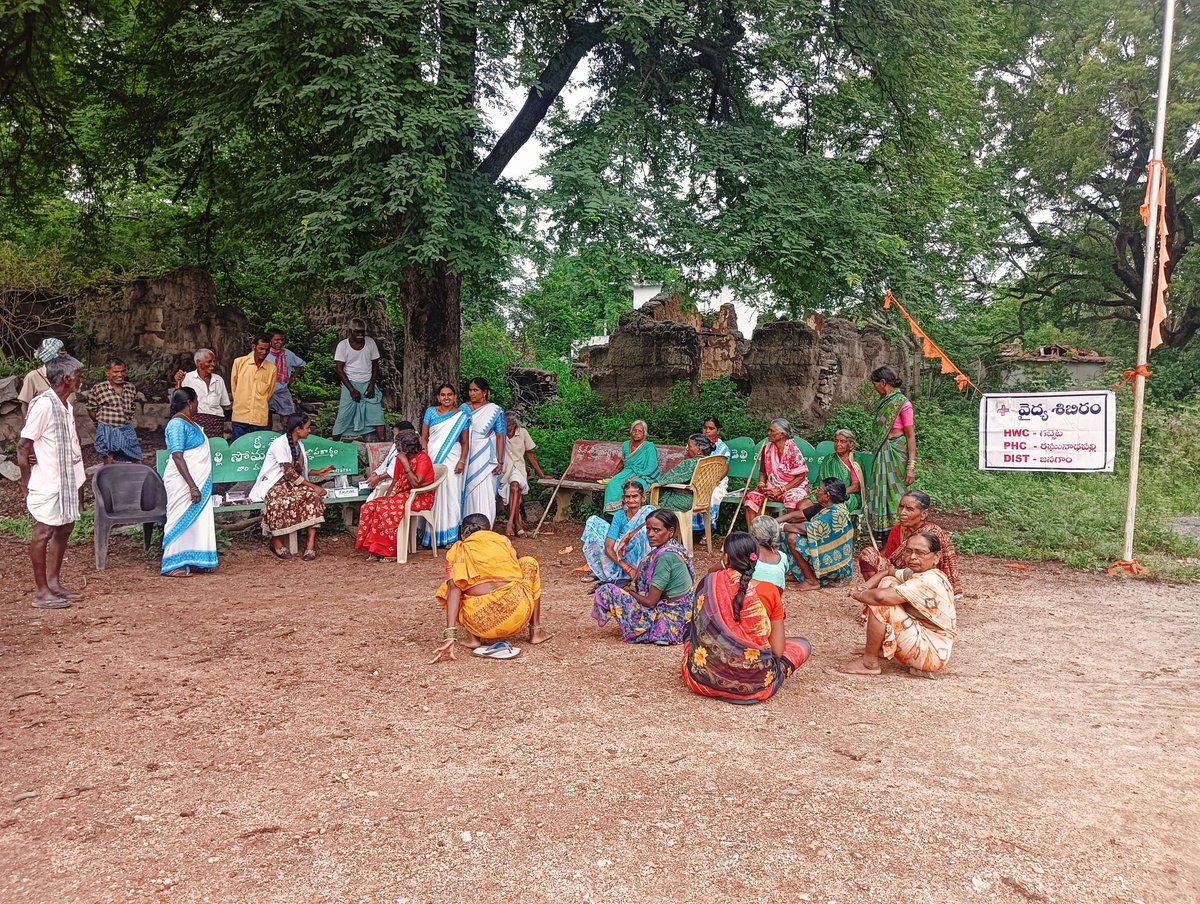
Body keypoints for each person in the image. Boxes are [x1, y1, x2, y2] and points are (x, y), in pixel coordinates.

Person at [681, 531, 811, 703]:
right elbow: (778, 651)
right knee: (802, 645)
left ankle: (709, 668)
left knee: (691, 628)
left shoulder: (710, 582)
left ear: (726, 558)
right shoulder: (770, 590)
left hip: (702, 680)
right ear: (755, 559)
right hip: (755, 686)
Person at [430, 514, 550, 663]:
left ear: (462, 533)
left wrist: (450, 636)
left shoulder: (458, 550)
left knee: (452, 586)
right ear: (490, 530)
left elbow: (454, 591)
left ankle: (473, 638)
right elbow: (517, 569)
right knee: (529, 562)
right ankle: (535, 631)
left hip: (479, 621)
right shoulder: (503, 541)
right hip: (517, 612)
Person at [17, 355, 85, 609]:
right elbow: (24, 446)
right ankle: (41, 591)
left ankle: (54, 583)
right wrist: (26, 482)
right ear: (67, 379)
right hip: (48, 480)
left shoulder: (65, 404)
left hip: (67, 480)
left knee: (64, 528)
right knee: (43, 531)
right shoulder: (44, 404)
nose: (81, 380)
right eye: (78, 375)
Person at [841, 531, 957, 677]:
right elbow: (887, 572)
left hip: (931, 653)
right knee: (889, 583)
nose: (913, 557)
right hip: (925, 639)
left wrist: (859, 594)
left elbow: (880, 598)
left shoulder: (928, 581)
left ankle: (869, 663)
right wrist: (865, 587)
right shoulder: (923, 572)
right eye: (909, 551)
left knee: (881, 603)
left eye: (920, 553)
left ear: (937, 557)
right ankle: (881, 648)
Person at [592, 509, 695, 645]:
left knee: (607, 591)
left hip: (673, 619)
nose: (650, 534)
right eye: (648, 529)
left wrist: (629, 592)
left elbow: (650, 602)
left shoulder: (665, 556)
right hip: (685, 613)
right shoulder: (673, 548)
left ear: (670, 532)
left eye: (656, 530)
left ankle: (654, 630)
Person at [249, 413, 334, 560]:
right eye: (307, 427)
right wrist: (314, 486)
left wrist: (317, 472)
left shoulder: (298, 445)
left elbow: (297, 470)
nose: (309, 430)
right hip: (275, 483)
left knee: (313, 497)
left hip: (292, 484)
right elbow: (288, 473)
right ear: (297, 429)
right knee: (277, 500)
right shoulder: (279, 444)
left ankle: (310, 544)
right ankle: (276, 542)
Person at [859, 490, 963, 598]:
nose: (902, 512)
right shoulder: (897, 529)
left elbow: (935, 565)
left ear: (924, 514)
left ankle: (889, 598)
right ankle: (876, 597)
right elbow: (889, 557)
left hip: (923, 577)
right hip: (898, 572)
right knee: (868, 555)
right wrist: (875, 560)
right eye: (901, 507)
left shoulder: (933, 533)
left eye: (909, 509)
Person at [161, 387, 218, 577]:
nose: (197, 406)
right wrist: (192, 486)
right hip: (183, 482)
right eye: (196, 402)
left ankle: (196, 559)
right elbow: (177, 456)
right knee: (179, 517)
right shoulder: (177, 424)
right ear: (190, 403)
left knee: (198, 520)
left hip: (196, 481)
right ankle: (172, 563)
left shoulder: (190, 422)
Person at [355, 428, 435, 560]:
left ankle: (390, 551)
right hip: (401, 494)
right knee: (369, 507)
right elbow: (396, 480)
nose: (397, 448)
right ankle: (375, 549)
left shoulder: (423, 458)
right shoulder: (401, 458)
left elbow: (416, 483)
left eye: (399, 445)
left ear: (407, 447)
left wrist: (405, 464)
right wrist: (387, 497)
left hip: (419, 496)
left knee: (384, 510)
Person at [866, 365, 917, 541]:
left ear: (883, 382)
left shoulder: (903, 404)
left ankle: (899, 537)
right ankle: (885, 539)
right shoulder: (884, 402)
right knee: (880, 494)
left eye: (875, 384)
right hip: (882, 453)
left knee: (895, 496)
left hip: (896, 453)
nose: (875, 388)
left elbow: (911, 437)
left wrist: (911, 466)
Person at [779, 478, 855, 591]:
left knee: (792, 538)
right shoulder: (825, 507)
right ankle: (799, 573)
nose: (816, 491)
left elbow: (808, 528)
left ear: (827, 495)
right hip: (828, 553)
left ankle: (811, 581)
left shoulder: (835, 513)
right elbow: (796, 516)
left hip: (836, 565)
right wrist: (771, 521)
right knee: (786, 534)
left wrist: (780, 526)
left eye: (819, 489)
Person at [420, 384, 470, 547]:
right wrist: (425, 459)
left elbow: (464, 442)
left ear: (455, 397)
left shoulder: (462, 416)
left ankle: (450, 537)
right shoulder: (431, 412)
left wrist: (462, 460)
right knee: (433, 494)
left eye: (450, 395)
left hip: (453, 458)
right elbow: (424, 438)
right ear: (438, 397)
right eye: (443, 395)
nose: (446, 398)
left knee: (452, 495)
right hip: (433, 457)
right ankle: (431, 536)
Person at [580, 479, 655, 584]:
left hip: (640, 555)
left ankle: (643, 572)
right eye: (628, 497)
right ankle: (604, 570)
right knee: (593, 521)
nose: (631, 500)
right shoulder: (619, 516)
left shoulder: (648, 511)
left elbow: (652, 526)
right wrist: (627, 568)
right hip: (620, 555)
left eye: (635, 496)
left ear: (643, 498)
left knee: (644, 531)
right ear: (623, 499)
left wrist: (628, 537)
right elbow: (609, 547)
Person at [743, 418, 809, 527]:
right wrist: (761, 485)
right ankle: (754, 537)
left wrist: (781, 490)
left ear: (782, 434)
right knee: (751, 498)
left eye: (772, 431)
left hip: (792, 487)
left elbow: (801, 477)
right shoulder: (766, 449)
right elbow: (763, 473)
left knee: (792, 499)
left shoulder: (793, 450)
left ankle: (787, 532)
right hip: (772, 487)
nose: (768, 433)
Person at [461, 377, 506, 524]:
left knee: (484, 489)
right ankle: (467, 526)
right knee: (467, 489)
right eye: (470, 390)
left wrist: (500, 461)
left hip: (486, 456)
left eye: (476, 390)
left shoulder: (495, 410)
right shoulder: (463, 408)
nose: (472, 393)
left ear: (485, 392)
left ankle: (485, 526)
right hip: (466, 454)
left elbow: (500, 436)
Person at [332, 318, 385, 441]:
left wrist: (371, 386)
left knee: (378, 416)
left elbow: (375, 365)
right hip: (350, 383)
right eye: (357, 332)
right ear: (350, 332)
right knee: (343, 415)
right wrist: (351, 390)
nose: (360, 335)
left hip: (368, 382)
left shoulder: (370, 343)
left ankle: (383, 446)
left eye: (362, 332)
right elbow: (340, 369)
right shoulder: (343, 346)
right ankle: (334, 444)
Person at [86, 356, 143, 463]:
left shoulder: (130, 387)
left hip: (126, 429)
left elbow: (132, 406)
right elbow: (91, 409)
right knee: (109, 460)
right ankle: (109, 479)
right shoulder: (99, 389)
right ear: (107, 373)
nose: (120, 375)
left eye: (122, 371)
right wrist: (98, 423)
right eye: (116, 372)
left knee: (136, 459)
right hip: (107, 429)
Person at [499, 413, 548, 537]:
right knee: (514, 489)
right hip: (504, 470)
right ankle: (517, 523)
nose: (507, 428)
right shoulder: (499, 433)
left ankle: (510, 523)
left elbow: (530, 455)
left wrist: (541, 475)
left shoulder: (523, 433)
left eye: (509, 425)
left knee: (515, 486)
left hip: (519, 468)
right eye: (505, 425)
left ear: (514, 424)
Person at [602, 420, 659, 512]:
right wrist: (612, 475)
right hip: (626, 472)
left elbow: (650, 468)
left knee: (633, 486)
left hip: (643, 475)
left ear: (644, 434)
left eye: (640, 431)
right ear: (631, 432)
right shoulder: (625, 445)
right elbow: (622, 462)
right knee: (612, 484)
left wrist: (633, 478)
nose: (636, 433)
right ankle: (613, 514)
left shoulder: (649, 447)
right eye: (634, 430)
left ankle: (629, 513)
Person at [174, 348, 231, 438]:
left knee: (215, 449)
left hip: (216, 424)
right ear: (198, 362)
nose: (213, 364)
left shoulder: (218, 380)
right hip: (195, 422)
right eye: (209, 362)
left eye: (214, 361)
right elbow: (178, 400)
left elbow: (223, 404)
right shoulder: (187, 378)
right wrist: (178, 382)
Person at [230, 335, 277, 441]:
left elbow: (269, 392)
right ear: (253, 347)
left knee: (256, 450)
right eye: (261, 349)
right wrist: (240, 401)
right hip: (240, 415)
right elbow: (234, 387)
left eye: (267, 350)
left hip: (259, 417)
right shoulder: (239, 363)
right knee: (238, 447)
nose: (264, 352)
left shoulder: (272, 369)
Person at [653, 433, 717, 512]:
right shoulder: (711, 462)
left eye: (689, 446)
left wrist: (653, 485)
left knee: (643, 499)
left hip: (684, 500)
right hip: (703, 501)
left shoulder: (690, 463)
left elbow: (665, 479)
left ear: (699, 450)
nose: (686, 449)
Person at [808, 429, 862, 514]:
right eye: (836, 441)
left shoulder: (854, 461)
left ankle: (813, 524)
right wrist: (824, 493)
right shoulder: (828, 459)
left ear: (851, 445)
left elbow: (856, 487)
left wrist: (835, 493)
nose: (838, 444)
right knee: (803, 505)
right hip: (825, 493)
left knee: (823, 509)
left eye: (842, 441)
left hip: (846, 495)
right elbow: (820, 481)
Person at [18, 337, 73, 419]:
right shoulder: (33, 377)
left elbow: (71, 406)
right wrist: (28, 429)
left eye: (65, 352)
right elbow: (25, 405)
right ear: (50, 357)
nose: (65, 356)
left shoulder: (68, 377)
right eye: (62, 353)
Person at [693, 416, 731, 532]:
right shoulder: (695, 444)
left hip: (717, 480)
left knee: (712, 494)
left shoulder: (723, 449)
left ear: (718, 431)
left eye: (711, 428)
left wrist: (711, 482)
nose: (707, 431)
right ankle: (691, 529)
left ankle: (707, 529)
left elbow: (724, 471)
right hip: (696, 478)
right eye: (705, 428)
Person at [266, 329, 306, 428]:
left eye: (282, 339)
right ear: (270, 340)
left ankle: (287, 439)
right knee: (266, 418)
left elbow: (300, 364)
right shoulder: (265, 353)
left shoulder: (287, 354)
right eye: (277, 339)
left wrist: (292, 378)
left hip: (282, 389)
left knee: (288, 418)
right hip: (266, 390)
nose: (280, 342)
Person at [748, 515, 787, 590]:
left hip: (752, 598)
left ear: (753, 534)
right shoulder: (782, 557)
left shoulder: (747, 553)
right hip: (774, 598)